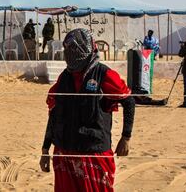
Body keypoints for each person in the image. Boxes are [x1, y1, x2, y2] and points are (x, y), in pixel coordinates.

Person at [39, 28, 135, 191]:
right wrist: (45, 149)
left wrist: (126, 137)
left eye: (75, 49)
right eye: (68, 50)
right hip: (64, 153)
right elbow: (54, 114)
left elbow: (128, 101)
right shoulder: (64, 78)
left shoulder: (104, 75)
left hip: (94, 153)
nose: (71, 53)